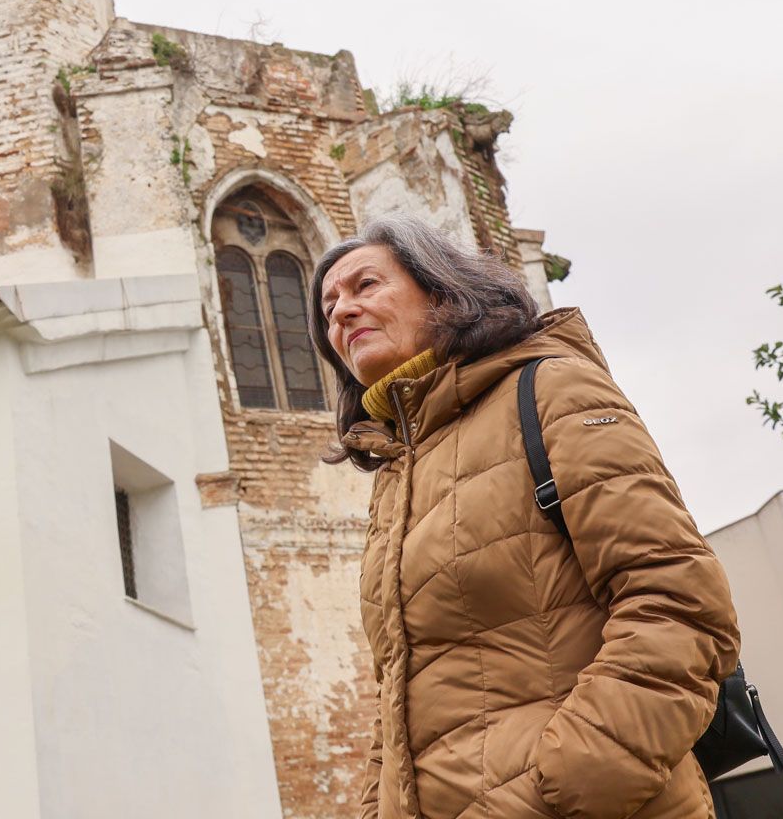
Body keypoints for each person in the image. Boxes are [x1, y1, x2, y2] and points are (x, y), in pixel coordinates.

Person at [312, 215, 738, 819]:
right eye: (329, 307)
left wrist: (557, 794)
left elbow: (679, 604)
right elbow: (400, 701)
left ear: (442, 291)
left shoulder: (549, 390)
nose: (341, 313)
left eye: (365, 286)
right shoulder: (397, 475)